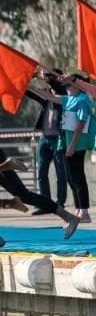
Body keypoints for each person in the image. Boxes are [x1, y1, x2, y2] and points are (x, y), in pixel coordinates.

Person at [32, 74, 93, 222]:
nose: (66, 88)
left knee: (77, 178)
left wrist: (72, 145)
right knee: (71, 179)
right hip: (66, 142)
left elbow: (81, 124)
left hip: (77, 144)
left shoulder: (83, 100)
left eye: (68, 85)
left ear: (78, 86)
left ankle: (84, 212)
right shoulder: (70, 99)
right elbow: (51, 97)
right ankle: (79, 210)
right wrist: (30, 86)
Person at [33, 71, 68, 214]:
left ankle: (60, 203)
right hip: (44, 138)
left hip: (59, 138)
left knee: (61, 172)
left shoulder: (63, 94)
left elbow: (57, 88)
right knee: (41, 172)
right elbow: (30, 92)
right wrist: (26, 78)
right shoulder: (46, 95)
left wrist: (49, 78)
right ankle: (45, 203)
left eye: (50, 77)